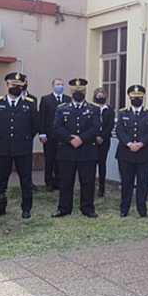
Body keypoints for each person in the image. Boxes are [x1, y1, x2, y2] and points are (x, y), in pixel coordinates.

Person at [0, 72, 40, 219]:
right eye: (13, 85)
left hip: (22, 148)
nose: (15, 87)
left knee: (26, 180)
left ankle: (26, 208)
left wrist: (25, 139)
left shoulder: (29, 104)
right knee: (1, 181)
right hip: (2, 148)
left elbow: (35, 126)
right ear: (7, 85)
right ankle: (0, 207)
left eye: (19, 85)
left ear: (23, 86)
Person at [52, 78, 101, 218]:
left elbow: (96, 128)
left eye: (81, 91)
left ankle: (87, 208)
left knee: (88, 181)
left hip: (87, 151)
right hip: (67, 150)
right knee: (66, 181)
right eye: (75, 91)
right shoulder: (62, 108)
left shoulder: (94, 109)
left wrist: (81, 139)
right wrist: (70, 139)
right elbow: (56, 128)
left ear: (85, 91)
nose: (78, 93)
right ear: (71, 92)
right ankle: (64, 208)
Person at [115, 85, 148, 217]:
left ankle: (142, 208)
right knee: (126, 182)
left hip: (144, 154)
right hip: (125, 153)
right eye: (134, 97)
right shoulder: (123, 113)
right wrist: (128, 143)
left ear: (143, 98)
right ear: (129, 98)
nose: (136, 99)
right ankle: (124, 208)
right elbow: (119, 131)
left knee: (143, 183)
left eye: (139, 97)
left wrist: (141, 143)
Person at [39, 78, 71, 191]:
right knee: (50, 159)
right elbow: (42, 117)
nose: (60, 86)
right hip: (49, 135)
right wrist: (42, 133)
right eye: (58, 84)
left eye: (62, 84)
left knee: (61, 159)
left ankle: (59, 181)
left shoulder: (68, 99)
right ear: (53, 86)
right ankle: (48, 182)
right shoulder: (46, 99)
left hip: (63, 136)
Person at [92, 87, 115, 197]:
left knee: (102, 164)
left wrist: (102, 136)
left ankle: (101, 188)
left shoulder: (109, 110)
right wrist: (95, 136)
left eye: (102, 94)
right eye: (98, 94)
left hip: (104, 140)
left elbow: (110, 125)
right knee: (91, 164)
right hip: (92, 140)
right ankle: (90, 186)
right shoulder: (91, 108)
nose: (100, 96)